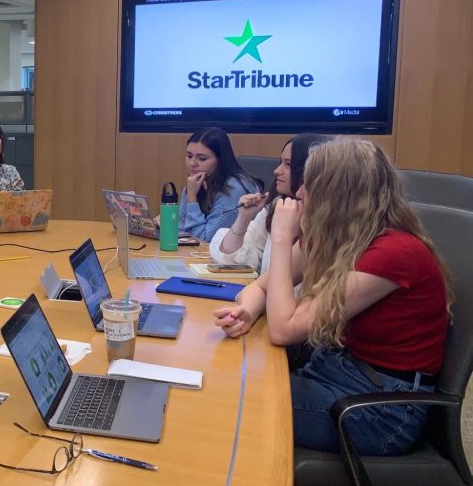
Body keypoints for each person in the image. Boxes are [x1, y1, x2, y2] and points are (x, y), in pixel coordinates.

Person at [213, 138, 449, 456]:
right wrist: (247, 312)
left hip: (380, 408)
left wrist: (282, 237)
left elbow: (283, 330)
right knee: (225, 378)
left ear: (337, 193)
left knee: (228, 396)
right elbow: (259, 287)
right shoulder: (340, 236)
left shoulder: (395, 252)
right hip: (337, 370)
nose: (297, 193)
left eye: (308, 185)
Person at [209, 134, 328, 273]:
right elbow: (230, 261)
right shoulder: (277, 206)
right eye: (280, 162)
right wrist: (243, 218)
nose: (276, 171)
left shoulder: (325, 220)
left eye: (288, 164)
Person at [177, 127, 262, 242]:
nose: (192, 163)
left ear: (220, 160)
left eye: (202, 158)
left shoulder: (234, 189)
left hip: (232, 258)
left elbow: (206, 242)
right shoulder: (195, 183)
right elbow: (181, 232)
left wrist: (192, 199)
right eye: (189, 156)